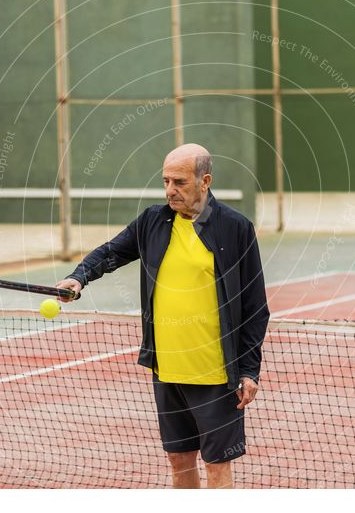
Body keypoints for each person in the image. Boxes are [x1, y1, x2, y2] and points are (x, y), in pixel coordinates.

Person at [56, 143, 269, 488]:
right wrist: (77, 277)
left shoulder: (235, 228)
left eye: (180, 182)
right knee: (179, 462)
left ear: (205, 181)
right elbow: (111, 252)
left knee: (217, 465)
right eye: (166, 181)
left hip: (215, 375)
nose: (171, 190)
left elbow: (256, 306)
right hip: (167, 371)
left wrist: (249, 369)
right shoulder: (153, 222)